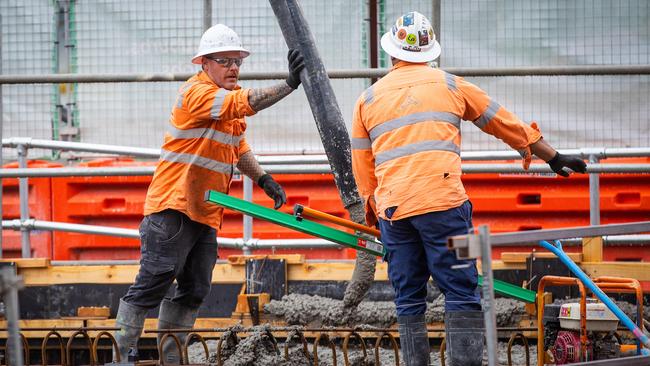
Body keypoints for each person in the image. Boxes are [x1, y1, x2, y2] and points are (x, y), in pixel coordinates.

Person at [350, 11, 587, 366]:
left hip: (394, 214)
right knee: (462, 291)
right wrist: (551, 156)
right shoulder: (451, 85)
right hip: (445, 208)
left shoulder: (367, 100)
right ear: (430, 53)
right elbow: (502, 122)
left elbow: (362, 168)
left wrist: (375, 213)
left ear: (391, 52)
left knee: (408, 298)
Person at [112, 24, 305, 364]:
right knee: (152, 285)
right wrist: (289, 85)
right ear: (204, 63)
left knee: (195, 289)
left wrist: (263, 179)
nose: (234, 68)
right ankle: (119, 356)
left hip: (203, 212)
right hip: (173, 209)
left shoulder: (224, 103)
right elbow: (244, 103)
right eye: (225, 61)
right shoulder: (197, 94)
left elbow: (238, 146)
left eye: (237, 61)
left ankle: (172, 360)